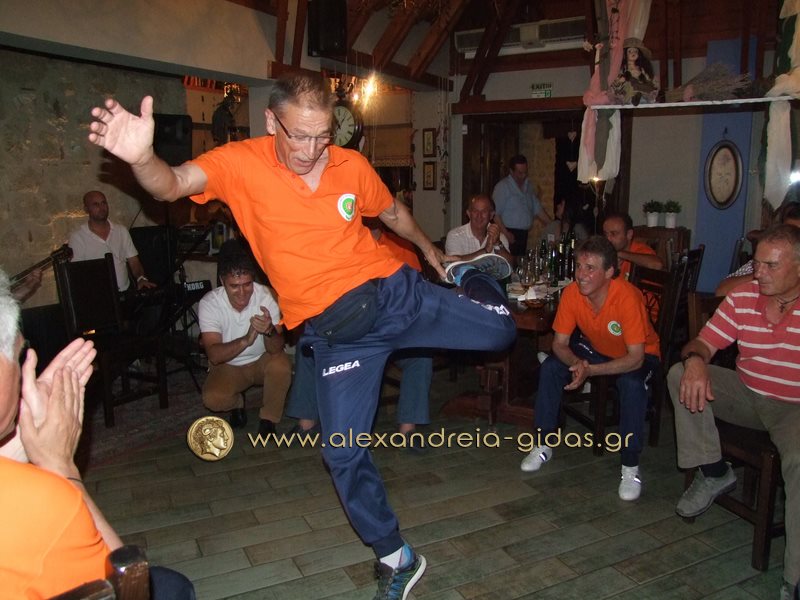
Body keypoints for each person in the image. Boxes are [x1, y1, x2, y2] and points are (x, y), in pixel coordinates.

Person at [87, 72, 516, 599]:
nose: (313, 150)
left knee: (502, 331)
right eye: (300, 136)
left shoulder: (349, 164)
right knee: (341, 454)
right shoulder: (239, 164)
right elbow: (171, 184)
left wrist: (434, 255)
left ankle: (472, 275)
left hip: (395, 295)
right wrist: (140, 159)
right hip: (340, 338)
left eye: (323, 136)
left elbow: (392, 212)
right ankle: (397, 557)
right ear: (272, 122)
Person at [0, 271, 194, 598]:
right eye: (19, 355)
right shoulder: (39, 499)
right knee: (172, 587)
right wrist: (60, 467)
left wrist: (23, 435)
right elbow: (129, 588)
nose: (22, 372)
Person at [668, 224, 800, 600]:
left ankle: (794, 580)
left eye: (771, 266)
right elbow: (702, 342)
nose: (759, 273)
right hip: (746, 394)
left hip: (793, 409)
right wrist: (696, 359)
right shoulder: (744, 296)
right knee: (679, 373)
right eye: (756, 263)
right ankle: (713, 471)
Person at [520, 236, 660, 501]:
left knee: (631, 384)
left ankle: (630, 466)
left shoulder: (627, 297)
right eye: (579, 266)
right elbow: (559, 344)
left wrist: (590, 371)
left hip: (641, 356)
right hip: (597, 349)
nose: (581, 275)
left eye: (590, 268)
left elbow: (636, 358)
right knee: (551, 367)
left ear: (609, 272)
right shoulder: (572, 293)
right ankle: (543, 444)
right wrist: (577, 364)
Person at [287, 217, 434, 449]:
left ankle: (408, 429)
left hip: (390, 331)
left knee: (420, 355)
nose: (370, 221)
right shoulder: (340, 247)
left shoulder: (402, 249)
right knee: (309, 343)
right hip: (350, 329)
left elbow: (415, 297)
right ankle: (307, 423)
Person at [198, 243, 291, 437]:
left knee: (281, 366)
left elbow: (276, 348)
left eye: (247, 284)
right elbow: (214, 355)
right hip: (229, 365)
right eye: (234, 286)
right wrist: (245, 340)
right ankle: (237, 403)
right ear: (222, 281)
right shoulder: (210, 303)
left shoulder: (267, 296)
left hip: (262, 360)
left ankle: (269, 419)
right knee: (213, 399)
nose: (242, 292)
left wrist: (269, 331)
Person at [68, 190, 156, 292]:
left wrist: (141, 278)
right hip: (97, 294)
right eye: (96, 204)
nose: (101, 207)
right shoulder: (78, 237)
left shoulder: (121, 231)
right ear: (86, 209)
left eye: (103, 203)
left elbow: (134, 261)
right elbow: (77, 273)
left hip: (124, 292)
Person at [716, 202, 800, 296]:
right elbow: (722, 291)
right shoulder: (765, 261)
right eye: (788, 233)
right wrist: (768, 271)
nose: (795, 239)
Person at [492, 155, 551, 256]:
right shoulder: (502, 187)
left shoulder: (529, 186)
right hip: (508, 233)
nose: (523, 176)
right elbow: (495, 214)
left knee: (520, 262)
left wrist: (554, 225)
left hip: (523, 235)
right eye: (520, 173)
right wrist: (506, 233)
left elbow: (538, 209)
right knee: (508, 262)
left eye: (525, 172)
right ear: (511, 171)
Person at [445, 194, 513, 264]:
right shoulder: (455, 235)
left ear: (491, 215)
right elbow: (454, 262)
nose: (479, 215)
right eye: (475, 211)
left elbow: (511, 266)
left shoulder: (499, 237)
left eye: (484, 211)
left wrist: (498, 243)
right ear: (469, 214)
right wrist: (485, 250)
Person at [602, 212, 663, 279]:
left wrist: (619, 254)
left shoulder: (639, 249)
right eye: (605, 234)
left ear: (629, 234)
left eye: (613, 234)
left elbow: (657, 265)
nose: (608, 238)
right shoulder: (604, 252)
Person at [609, 38, 658, 106]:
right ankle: (632, 98)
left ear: (639, 54)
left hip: (640, 88)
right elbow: (616, 82)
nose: (633, 53)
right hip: (628, 89)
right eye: (630, 51)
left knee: (646, 88)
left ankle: (640, 98)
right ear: (624, 54)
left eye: (635, 51)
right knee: (628, 87)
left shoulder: (641, 69)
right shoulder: (622, 69)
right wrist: (620, 81)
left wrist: (644, 77)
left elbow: (648, 79)